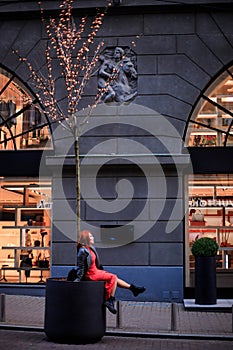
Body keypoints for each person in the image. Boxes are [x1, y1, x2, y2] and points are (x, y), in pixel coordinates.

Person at [67, 230, 146, 314]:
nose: (93, 238)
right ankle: (109, 300)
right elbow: (81, 267)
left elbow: (96, 262)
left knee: (115, 279)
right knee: (113, 277)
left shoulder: (90, 248)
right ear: (85, 239)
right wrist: (77, 281)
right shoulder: (82, 251)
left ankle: (133, 289)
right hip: (90, 274)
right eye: (90, 237)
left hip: (96, 271)